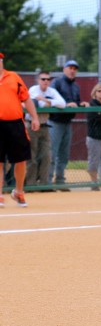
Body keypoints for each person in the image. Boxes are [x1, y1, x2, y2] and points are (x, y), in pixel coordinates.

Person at [0, 51, 41, 208]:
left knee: (20, 160)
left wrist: (35, 117)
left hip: (15, 123)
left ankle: (18, 192)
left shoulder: (13, 77)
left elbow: (26, 98)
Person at [50, 60, 89, 190]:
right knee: (52, 153)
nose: (72, 71)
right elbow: (50, 100)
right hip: (55, 122)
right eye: (70, 68)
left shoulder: (76, 86)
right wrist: (66, 105)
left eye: (75, 69)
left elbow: (75, 102)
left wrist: (81, 104)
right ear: (64, 69)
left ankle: (60, 180)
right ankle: (47, 181)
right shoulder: (56, 82)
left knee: (64, 154)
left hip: (67, 122)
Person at [27, 71, 65, 190]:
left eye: (48, 79)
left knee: (46, 156)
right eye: (43, 79)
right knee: (32, 156)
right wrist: (49, 102)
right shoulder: (33, 89)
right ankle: (31, 185)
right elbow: (39, 104)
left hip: (44, 125)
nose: (46, 81)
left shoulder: (51, 91)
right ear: (38, 80)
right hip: (32, 125)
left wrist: (47, 100)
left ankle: (44, 185)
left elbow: (62, 104)